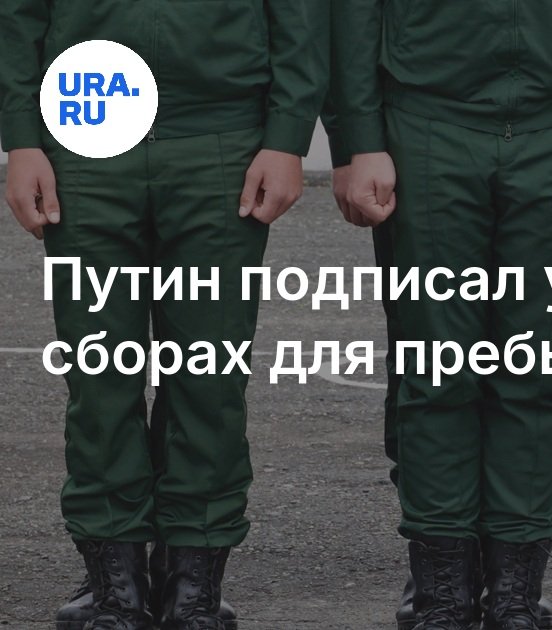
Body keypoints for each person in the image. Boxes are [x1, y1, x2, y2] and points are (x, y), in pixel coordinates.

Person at [327, 2, 552, 628]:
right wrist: (358, 139)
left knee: (530, 372)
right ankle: (443, 592)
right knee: (435, 370)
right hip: (427, 120)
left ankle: (514, 594)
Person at [0, 1, 326, 629]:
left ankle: (192, 582)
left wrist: (287, 137)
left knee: (209, 375)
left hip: (220, 135)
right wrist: (21, 138)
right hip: (86, 132)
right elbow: (17, 12)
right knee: (100, 373)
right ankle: (115, 584)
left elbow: (301, 15)